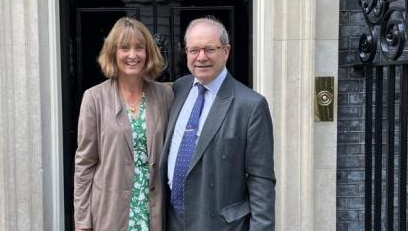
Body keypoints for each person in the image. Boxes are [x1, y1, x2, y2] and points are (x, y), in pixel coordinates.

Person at [159, 16, 275, 231]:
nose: (201, 57)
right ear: (186, 53)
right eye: (194, 50)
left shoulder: (251, 105)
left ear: (226, 51)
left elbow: (261, 180)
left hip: (221, 224)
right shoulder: (179, 89)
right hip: (172, 220)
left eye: (209, 49)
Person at [74, 17, 173, 231]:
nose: (132, 55)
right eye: (124, 48)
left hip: (154, 211)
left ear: (148, 53)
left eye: (139, 47)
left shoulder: (165, 95)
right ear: (113, 52)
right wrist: (82, 221)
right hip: (110, 212)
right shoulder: (94, 98)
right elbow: (85, 163)